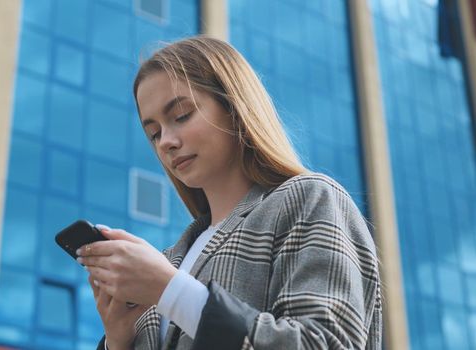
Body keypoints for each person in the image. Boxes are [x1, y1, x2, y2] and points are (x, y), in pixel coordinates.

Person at [76, 36, 382, 350]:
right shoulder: (170, 261)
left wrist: (171, 290)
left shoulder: (309, 200)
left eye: (181, 115)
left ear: (235, 106)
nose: (165, 141)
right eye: (154, 133)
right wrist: (117, 339)